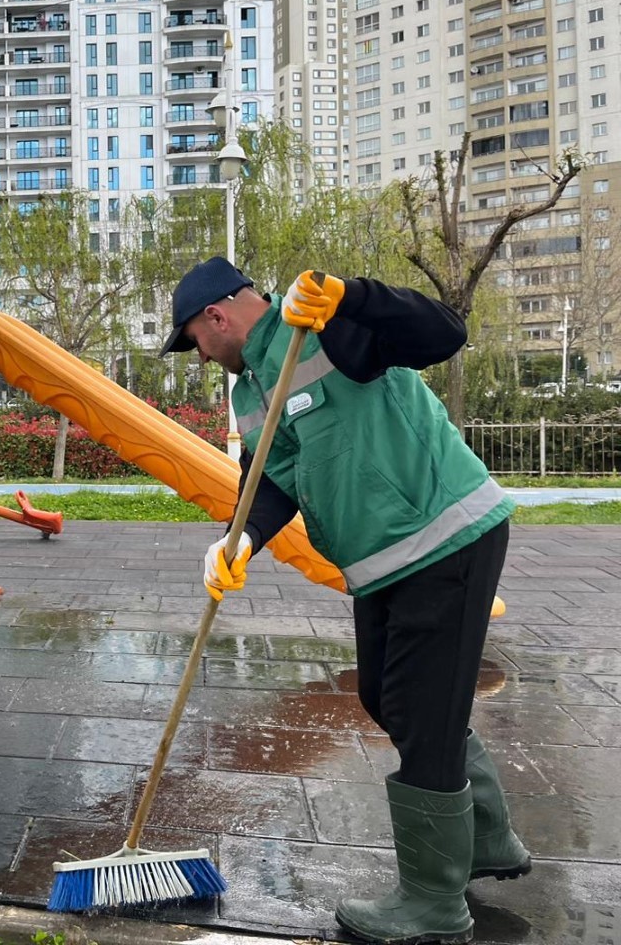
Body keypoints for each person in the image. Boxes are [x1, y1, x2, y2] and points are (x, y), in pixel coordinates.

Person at [162, 258, 528, 945]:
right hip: (382, 559)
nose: (199, 354)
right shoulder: (249, 389)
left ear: (217, 315)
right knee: (386, 701)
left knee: (422, 713)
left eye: (193, 339)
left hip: (443, 535)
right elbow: (270, 477)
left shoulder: (330, 329)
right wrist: (237, 541)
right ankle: (486, 838)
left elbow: (444, 333)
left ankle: (433, 905)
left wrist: (353, 296)